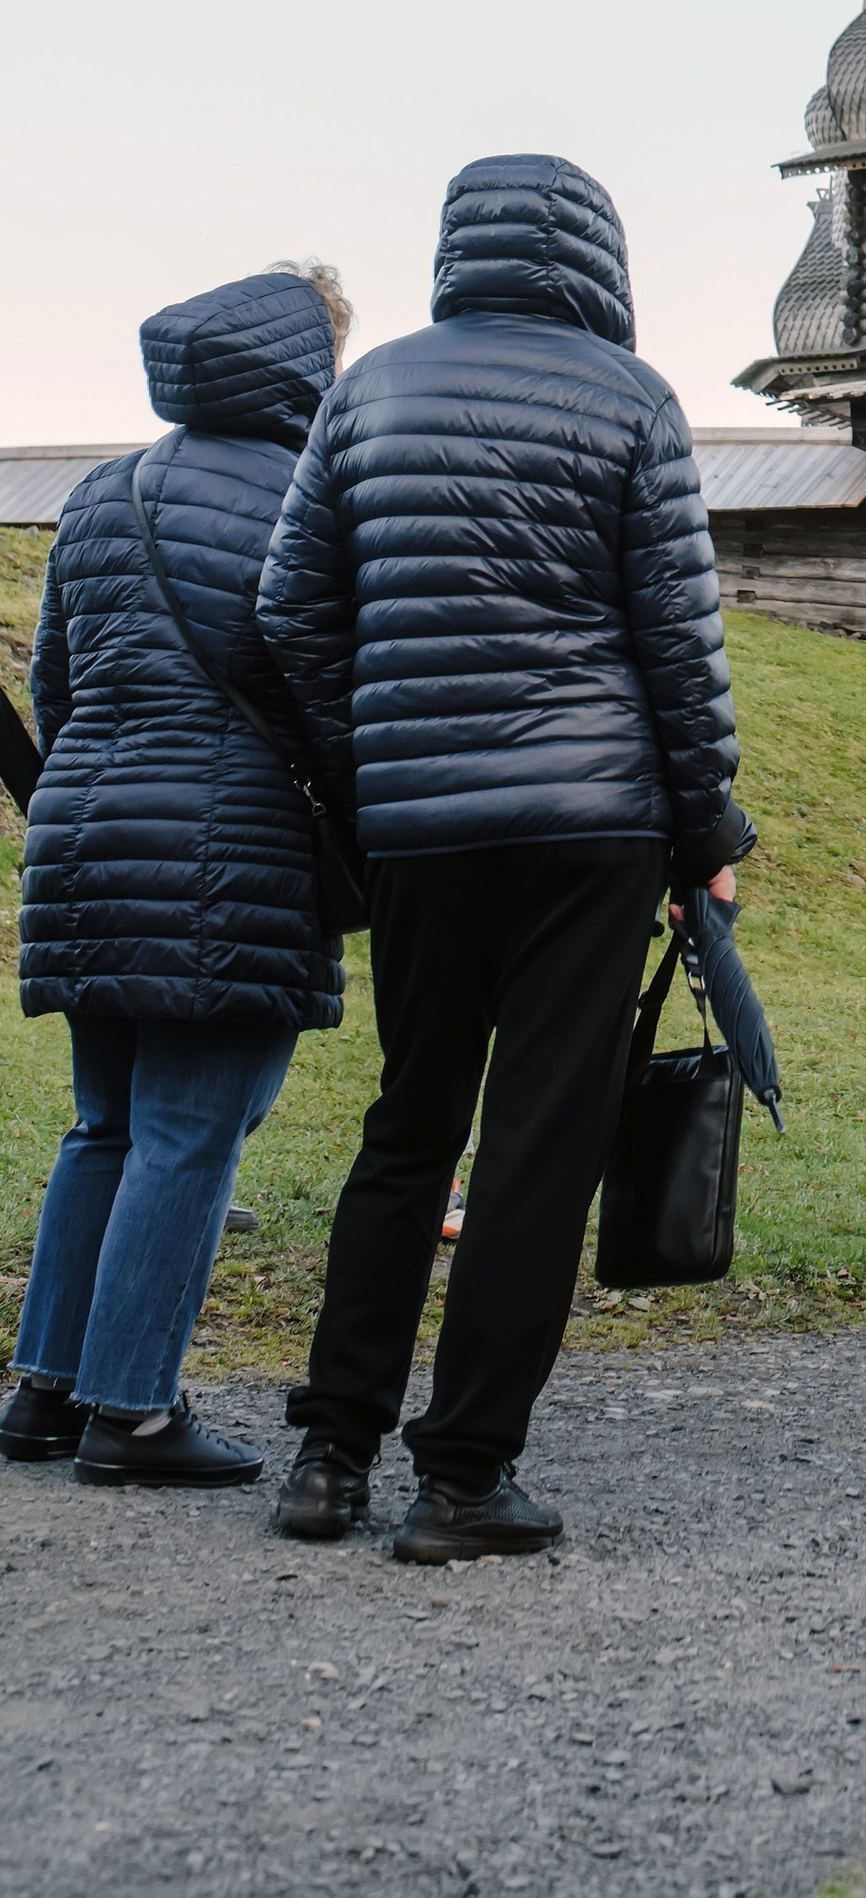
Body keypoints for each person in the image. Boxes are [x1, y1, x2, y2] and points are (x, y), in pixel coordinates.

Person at [258, 155, 749, 1565]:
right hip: (588, 826)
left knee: (408, 1122)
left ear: (456, 245)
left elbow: (290, 605)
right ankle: (464, 1475)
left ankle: (328, 1451)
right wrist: (707, 822)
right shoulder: (631, 394)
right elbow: (678, 643)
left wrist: (374, 764)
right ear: (597, 252)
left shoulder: (371, 387)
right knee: (536, 1144)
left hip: (416, 825)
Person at [4, 268, 348, 1485]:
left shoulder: (105, 492)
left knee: (102, 1124)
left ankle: (42, 1394)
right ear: (307, 366)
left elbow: (56, 679)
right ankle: (132, 1414)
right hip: (234, 849)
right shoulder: (310, 496)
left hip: (85, 839)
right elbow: (330, 693)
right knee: (189, 1135)